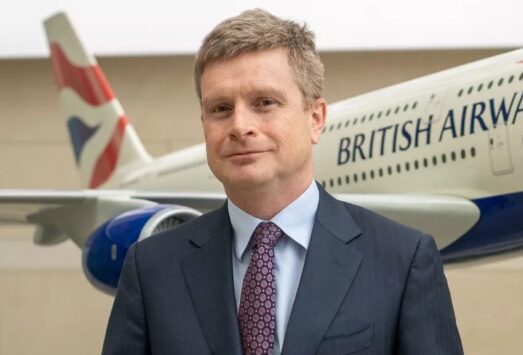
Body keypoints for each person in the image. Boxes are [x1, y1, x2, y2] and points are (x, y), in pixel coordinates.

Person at [102, 9, 463, 355]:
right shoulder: (151, 269)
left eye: (264, 102)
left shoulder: (403, 261)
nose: (240, 125)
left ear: (316, 119)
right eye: (221, 109)